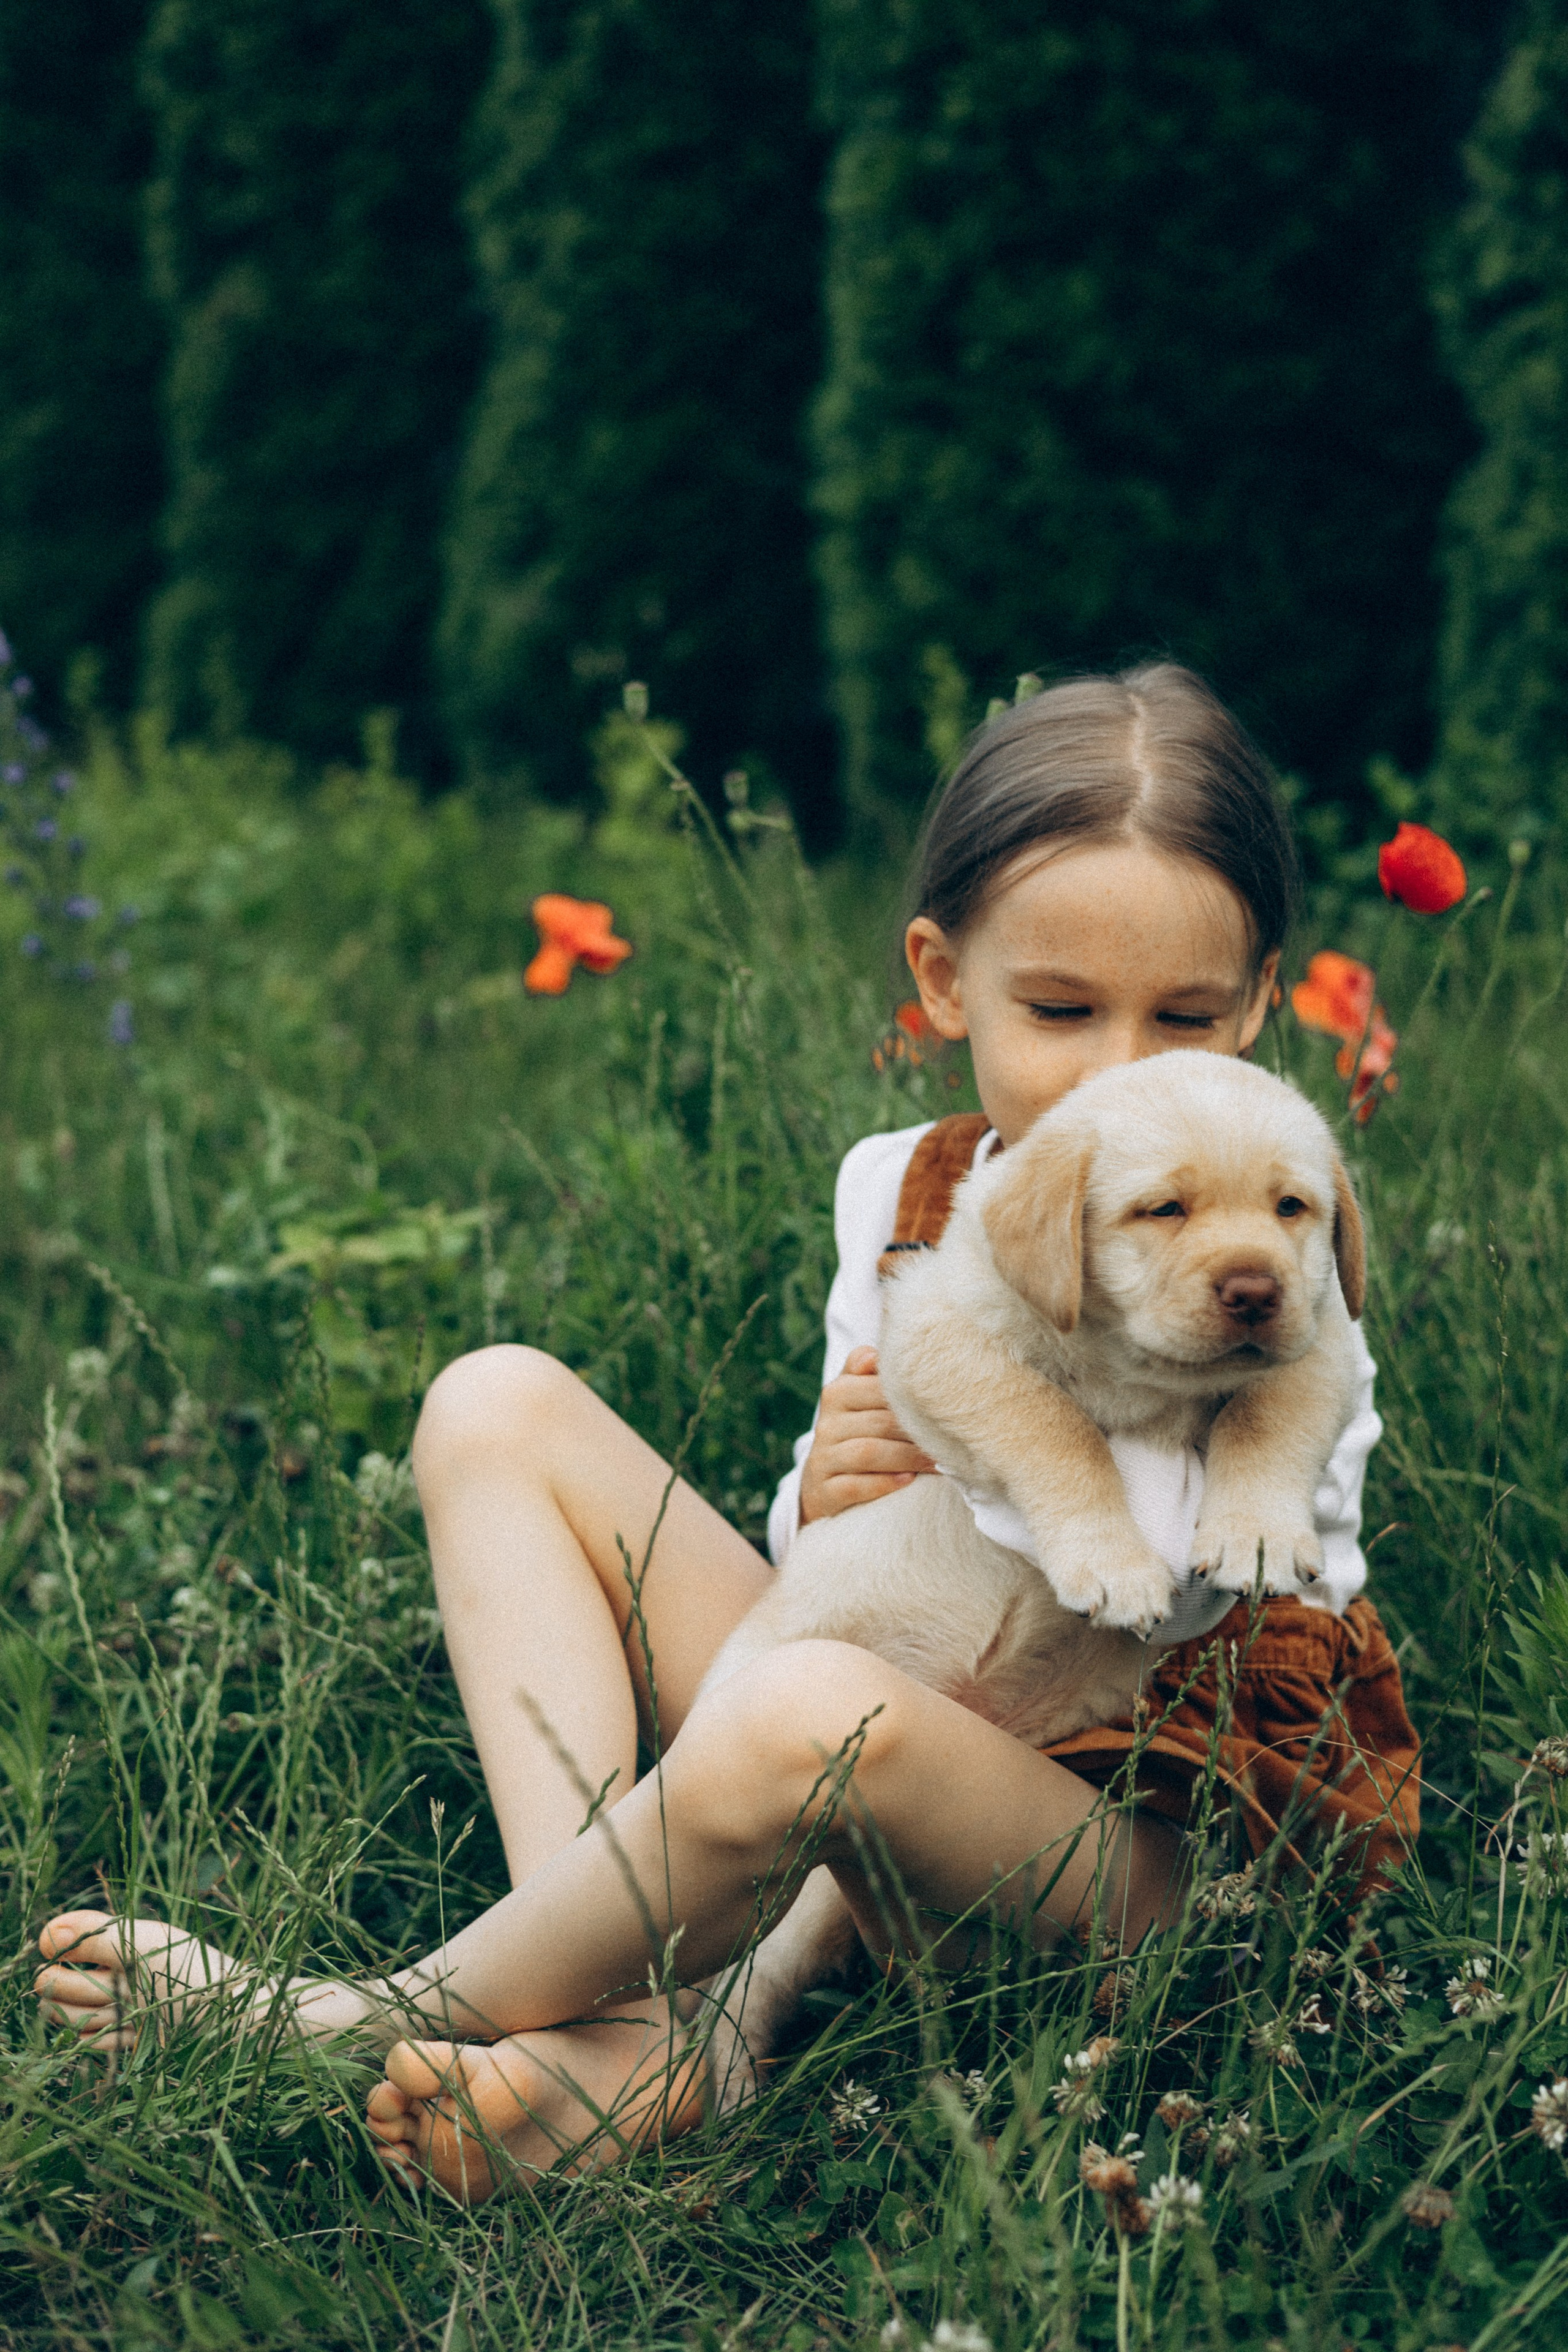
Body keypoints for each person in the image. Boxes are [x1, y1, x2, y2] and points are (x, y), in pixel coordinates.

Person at [34, 664, 1420, 2204]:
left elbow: (1177, 1577)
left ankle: (358, 2017)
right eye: (1056, 1010)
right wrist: (817, 1489)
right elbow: (855, 1570)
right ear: (942, 979)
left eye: (1180, 1017)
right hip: (878, 1715)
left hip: (1120, 1859)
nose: (1117, 1069)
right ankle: (633, 2008)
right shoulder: (897, 1183)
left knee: (807, 1704)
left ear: (1251, 1006)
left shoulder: (1267, 1258)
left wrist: (979, 1450)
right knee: (493, 1402)